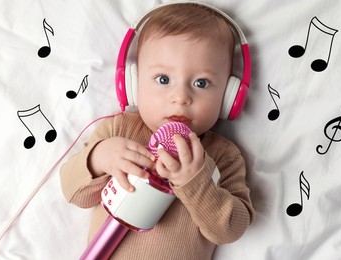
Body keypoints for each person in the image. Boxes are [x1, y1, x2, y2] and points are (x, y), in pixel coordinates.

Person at [60, 3, 255, 259]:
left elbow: (230, 230)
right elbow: (74, 192)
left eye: (201, 83)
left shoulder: (222, 156)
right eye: (163, 79)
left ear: (229, 97)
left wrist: (196, 184)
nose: (181, 97)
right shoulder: (119, 131)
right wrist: (99, 159)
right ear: (132, 83)